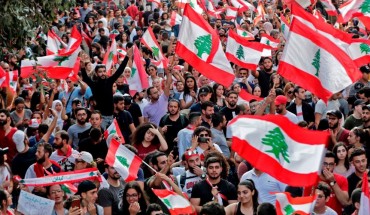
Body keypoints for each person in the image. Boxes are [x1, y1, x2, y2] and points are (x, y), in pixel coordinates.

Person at [82, 49, 132, 129]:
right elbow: (85, 77)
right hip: (101, 118)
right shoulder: (94, 84)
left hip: (111, 117)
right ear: (96, 73)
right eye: (100, 72)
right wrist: (82, 66)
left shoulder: (109, 81)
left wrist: (127, 57)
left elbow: (119, 71)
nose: (103, 73)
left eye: (104, 71)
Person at [11, 109, 58, 178]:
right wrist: (56, 116)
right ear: (26, 140)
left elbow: (15, 179)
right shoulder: (35, 150)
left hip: (25, 188)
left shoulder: (15, 161)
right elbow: (49, 132)